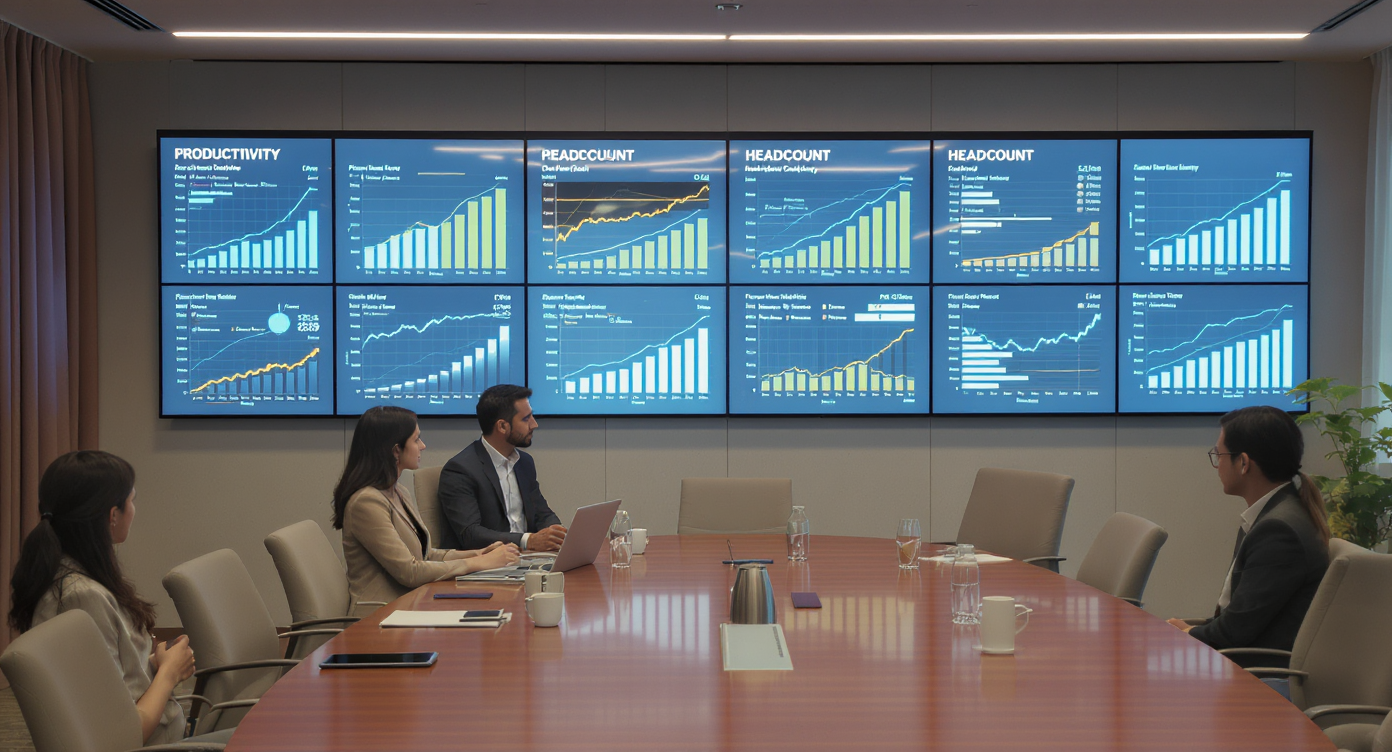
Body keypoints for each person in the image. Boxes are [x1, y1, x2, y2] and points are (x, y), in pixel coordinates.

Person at [8, 451, 196, 746]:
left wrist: (153, 663)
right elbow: (118, 735)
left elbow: (112, 682)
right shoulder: (80, 598)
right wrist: (170, 673)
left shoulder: (69, 575)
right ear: (113, 515)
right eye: (131, 500)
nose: (134, 509)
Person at [1166, 405, 1330, 656]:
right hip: (1243, 658)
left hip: (1257, 674)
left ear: (1243, 463)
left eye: (1218, 455)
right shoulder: (1277, 514)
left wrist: (1188, 634)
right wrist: (1190, 631)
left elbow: (1235, 631)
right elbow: (1241, 617)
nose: (1217, 465)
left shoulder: (1278, 531)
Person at [332, 405, 520, 606]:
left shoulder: (398, 492)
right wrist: (477, 564)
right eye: (416, 439)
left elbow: (426, 555)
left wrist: (479, 554)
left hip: (410, 605)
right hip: (379, 617)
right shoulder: (366, 502)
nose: (422, 446)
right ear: (396, 450)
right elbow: (409, 572)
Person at [437, 384, 567, 552]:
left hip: (526, 561)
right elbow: (470, 534)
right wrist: (528, 540)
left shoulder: (524, 462)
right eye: (526, 419)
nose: (534, 424)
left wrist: (556, 532)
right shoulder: (460, 470)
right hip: (486, 566)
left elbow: (542, 513)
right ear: (502, 426)